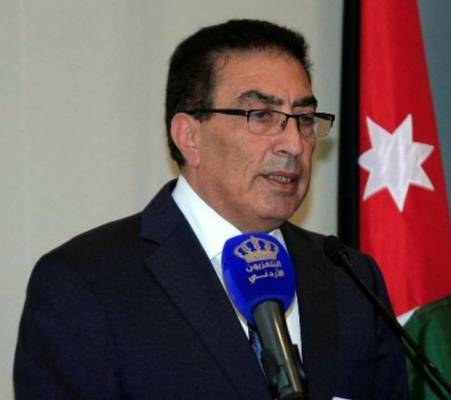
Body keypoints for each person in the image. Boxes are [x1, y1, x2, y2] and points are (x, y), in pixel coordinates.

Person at [14, 19, 408, 399]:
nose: (294, 144)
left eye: (304, 119)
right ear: (189, 137)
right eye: (261, 115)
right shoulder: (84, 284)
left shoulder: (351, 279)